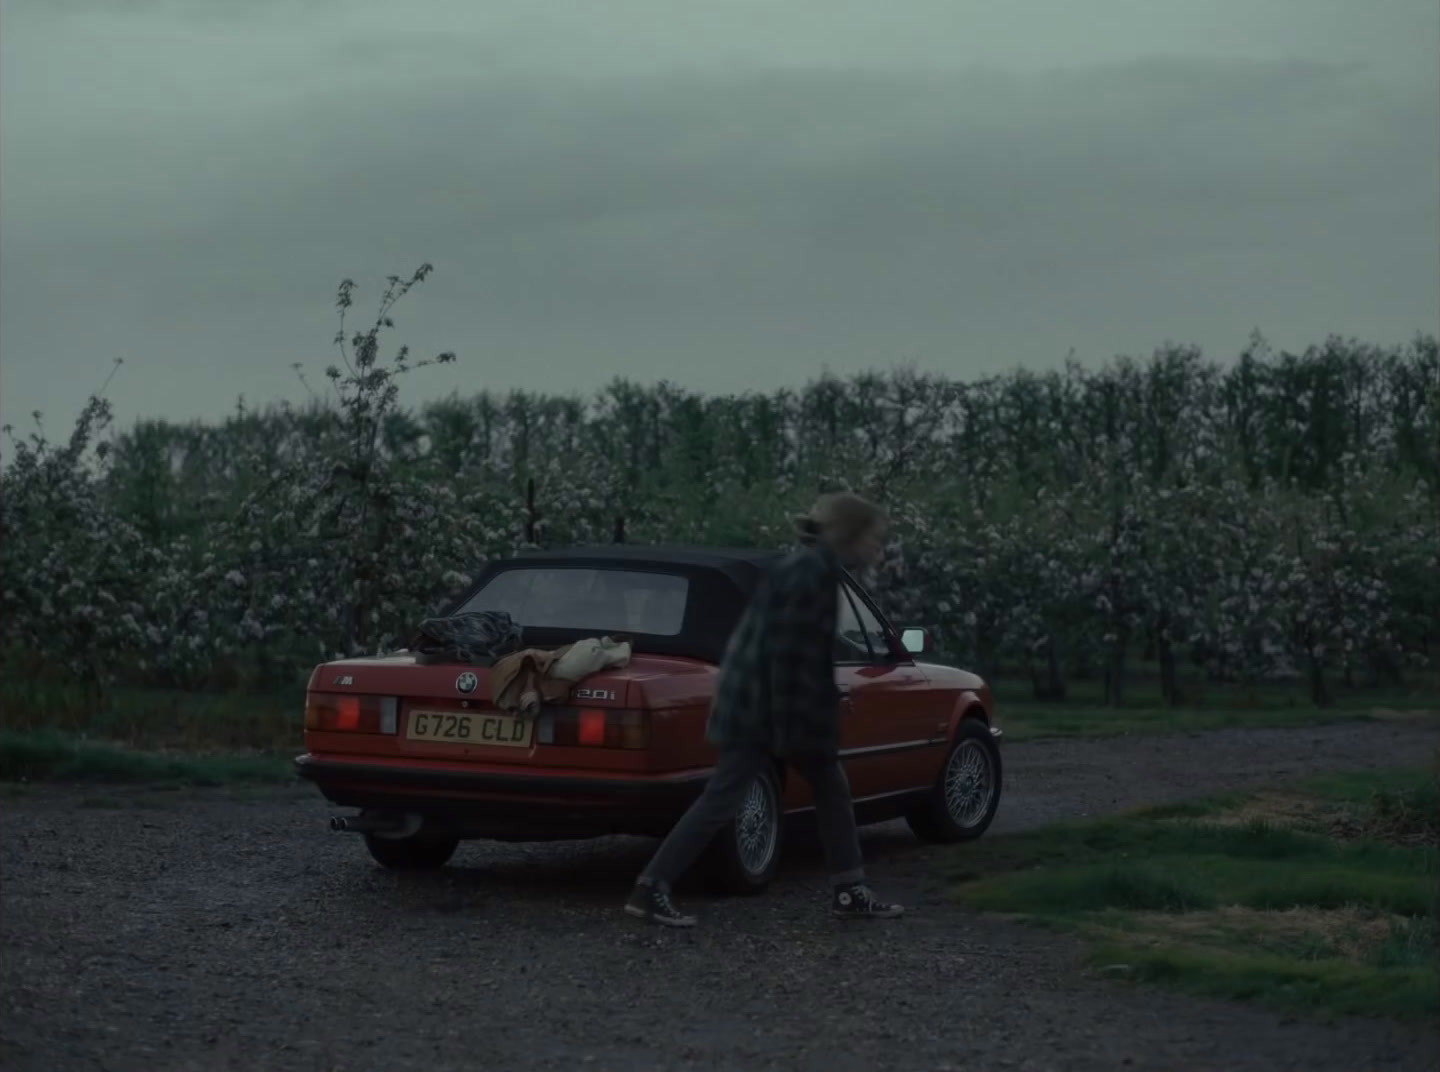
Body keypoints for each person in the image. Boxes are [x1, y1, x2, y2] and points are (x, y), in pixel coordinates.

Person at [624, 492, 905, 927]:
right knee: (727, 798)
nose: (876, 548)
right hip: (765, 710)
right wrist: (806, 728)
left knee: (822, 786)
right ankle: (651, 887)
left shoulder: (807, 567)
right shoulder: (812, 575)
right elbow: (790, 657)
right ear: (849, 534)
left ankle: (850, 890)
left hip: (759, 704)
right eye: (872, 537)